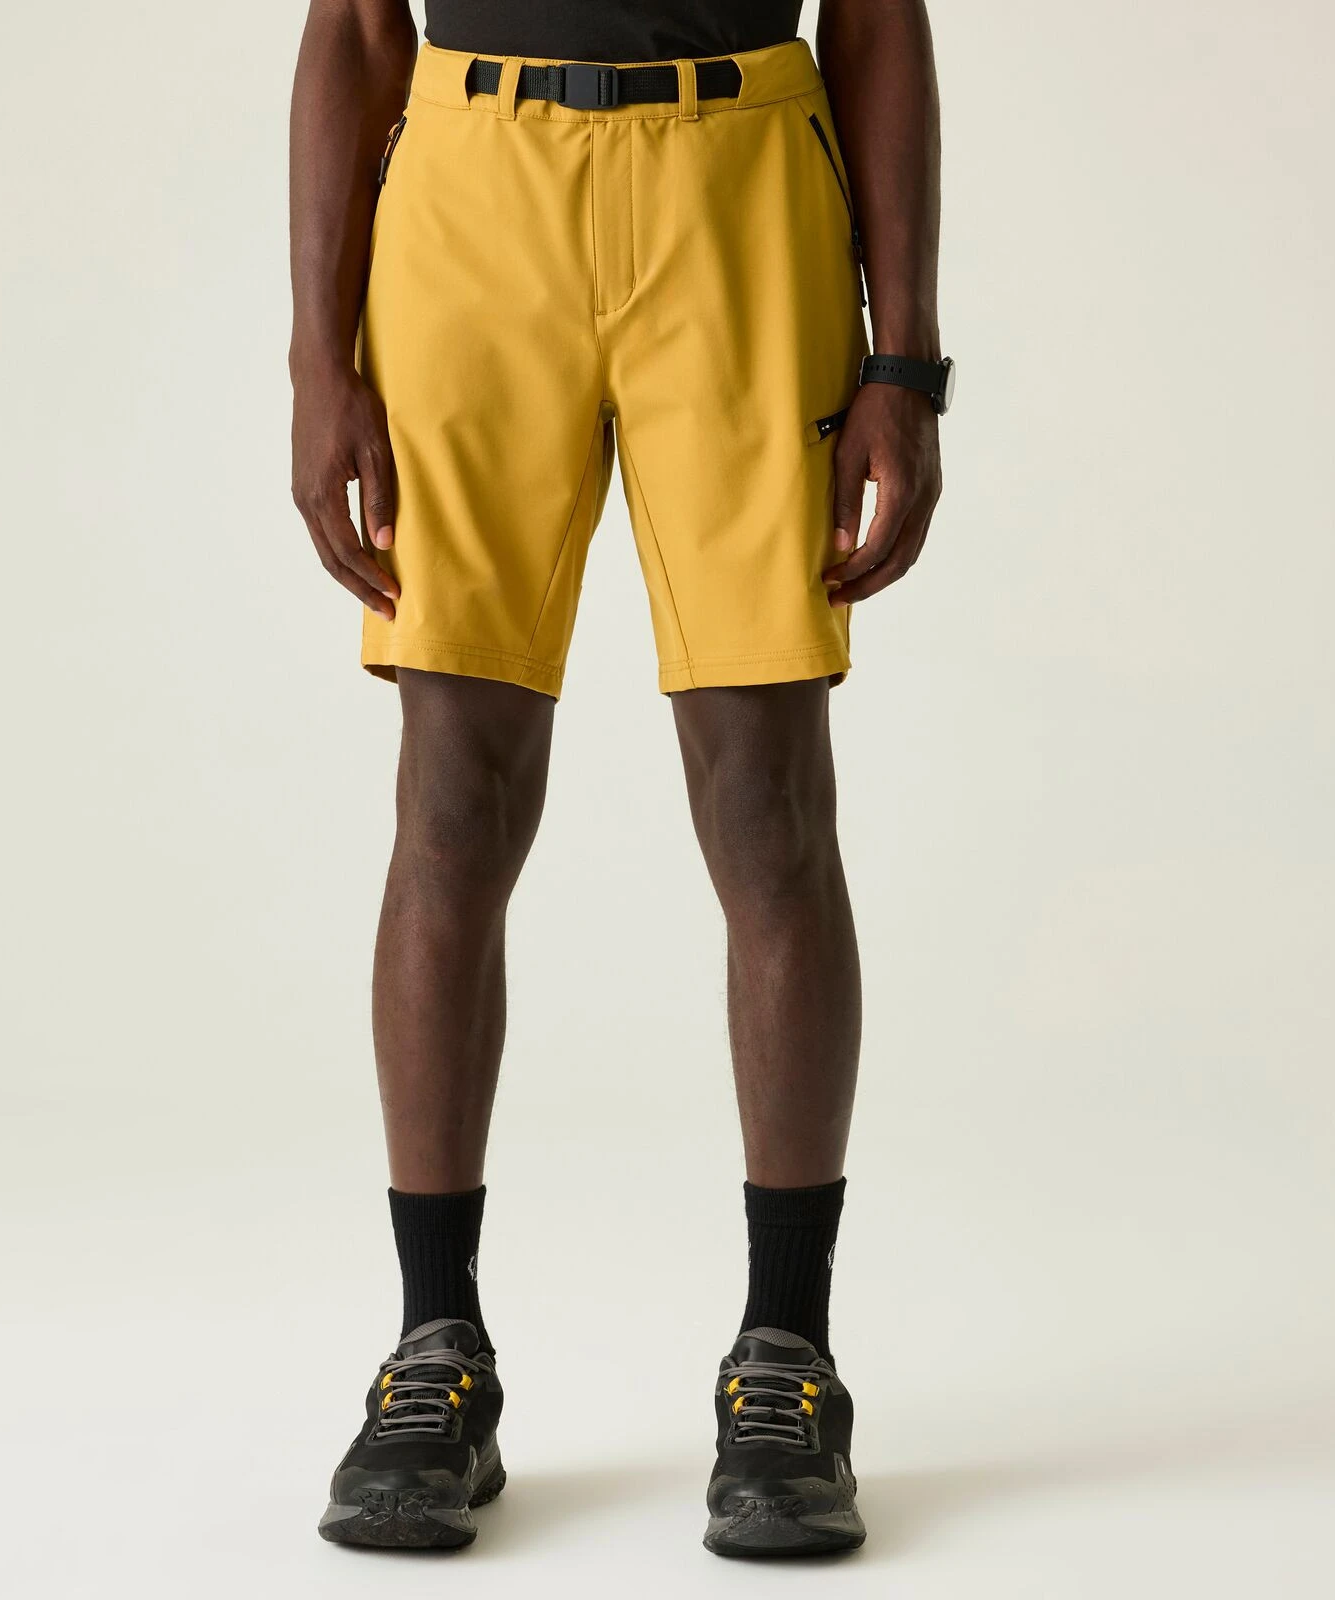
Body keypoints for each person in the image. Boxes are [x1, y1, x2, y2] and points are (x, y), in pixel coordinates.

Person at [289, 0, 949, 1557]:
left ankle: (787, 1357)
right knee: (453, 797)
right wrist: (319, 360)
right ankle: (434, 1352)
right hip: (472, 189)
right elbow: (357, 27)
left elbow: (876, 18)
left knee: (768, 803)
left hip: (742, 181)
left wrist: (906, 358)